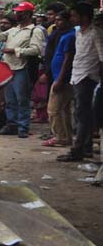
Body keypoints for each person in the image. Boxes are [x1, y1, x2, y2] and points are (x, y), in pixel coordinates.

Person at [57, 2, 103, 161]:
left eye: (75, 15)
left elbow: (102, 58)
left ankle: (78, 150)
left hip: (88, 77)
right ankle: (86, 148)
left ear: (84, 17)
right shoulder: (79, 33)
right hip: (77, 75)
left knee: (82, 115)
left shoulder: (95, 33)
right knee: (81, 114)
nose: (72, 18)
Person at [0, 2, 45, 138]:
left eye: (19, 12)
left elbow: (36, 50)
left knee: (22, 99)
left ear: (28, 14)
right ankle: (12, 125)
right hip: (8, 68)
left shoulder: (35, 31)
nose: (16, 14)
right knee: (10, 100)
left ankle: (23, 127)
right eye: (17, 12)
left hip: (22, 68)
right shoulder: (13, 30)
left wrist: (15, 50)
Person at [43, 10, 75, 147]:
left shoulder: (70, 36)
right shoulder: (63, 35)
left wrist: (60, 79)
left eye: (60, 20)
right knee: (64, 110)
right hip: (59, 76)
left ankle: (60, 136)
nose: (56, 22)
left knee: (53, 109)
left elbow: (68, 59)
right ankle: (66, 136)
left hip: (62, 79)